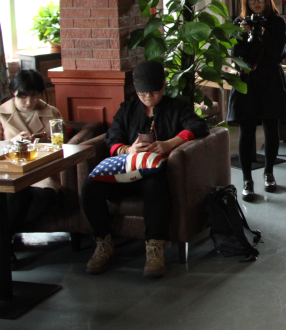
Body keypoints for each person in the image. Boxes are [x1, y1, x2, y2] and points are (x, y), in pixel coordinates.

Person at [81, 60, 209, 278]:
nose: (148, 97)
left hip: (157, 174)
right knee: (90, 186)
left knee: (154, 185)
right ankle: (103, 243)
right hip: (127, 171)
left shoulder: (176, 107)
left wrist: (169, 144)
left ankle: (154, 248)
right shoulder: (127, 109)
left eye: (153, 92)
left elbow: (199, 126)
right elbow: (112, 138)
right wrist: (127, 150)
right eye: (142, 93)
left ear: (163, 86)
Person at [227, 0, 286, 200]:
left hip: (271, 81)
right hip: (247, 82)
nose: (256, 2)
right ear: (245, 0)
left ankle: (269, 173)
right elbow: (235, 55)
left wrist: (263, 34)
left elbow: (278, 53)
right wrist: (242, 34)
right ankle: (247, 179)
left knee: (271, 129)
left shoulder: (277, 22)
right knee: (246, 131)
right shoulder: (239, 22)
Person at [0, 70, 62, 266]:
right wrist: (12, 143)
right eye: (23, 96)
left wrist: (43, 141)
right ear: (14, 93)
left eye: (34, 96)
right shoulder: (1, 113)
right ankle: (5, 247)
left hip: (42, 172)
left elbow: (62, 143)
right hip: (11, 172)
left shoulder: (51, 112)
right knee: (16, 194)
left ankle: (4, 239)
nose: (29, 101)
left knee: (44, 197)